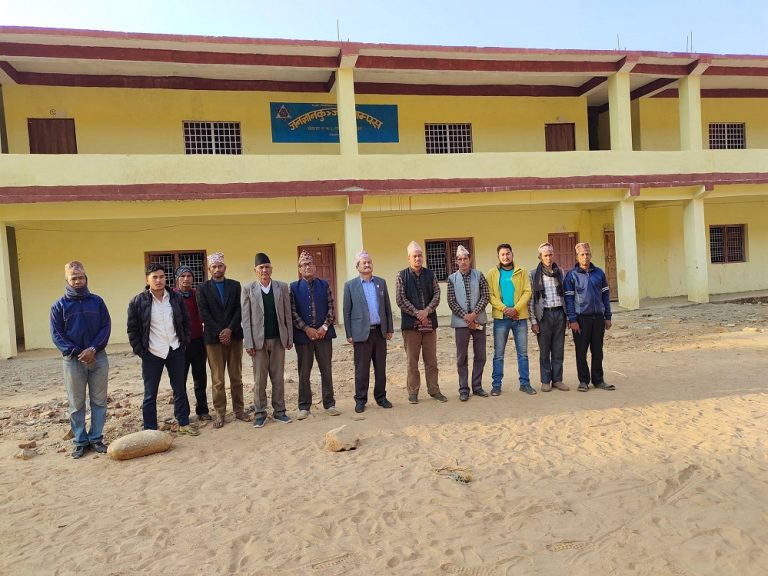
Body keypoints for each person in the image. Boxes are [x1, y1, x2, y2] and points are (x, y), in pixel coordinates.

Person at [127, 263, 199, 436]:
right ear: (147, 280)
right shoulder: (138, 301)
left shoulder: (175, 298)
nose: (158, 280)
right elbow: (132, 329)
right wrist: (140, 350)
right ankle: (150, 429)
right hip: (152, 352)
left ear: (165, 278)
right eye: (154, 277)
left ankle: (183, 422)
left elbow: (186, 322)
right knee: (150, 393)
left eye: (161, 277)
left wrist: (184, 341)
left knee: (180, 389)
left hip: (175, 349)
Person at [50, 261, 112, 459]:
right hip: (73, 360)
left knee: (99, 401)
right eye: (73, 278)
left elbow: (106, 327)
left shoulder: (97, 302)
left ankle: (96, 438)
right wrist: (78, 352)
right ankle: (80, 441)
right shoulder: (59, 306)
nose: (78, 281)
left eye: (81, 277)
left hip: (98, 358)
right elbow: (57, 335)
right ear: (67, 280)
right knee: (76, 403)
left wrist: (93, 349)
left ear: (86, 278)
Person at [242, 253, 294, 428]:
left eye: (267, 267)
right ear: (255, 270)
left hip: (278, 339)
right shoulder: (248, 289)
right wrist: (248, 342)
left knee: (278, 378)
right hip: (258, 342)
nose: (264, 270)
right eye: (261, 267)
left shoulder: (282, 287)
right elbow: (246, 318)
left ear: (272, 269)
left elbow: (287, 314)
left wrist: (289, 337)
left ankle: (280, 411)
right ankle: (260, 413)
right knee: (260, 379)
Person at [196, 252, 248, 428]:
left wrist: (230, 330)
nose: (217, 269)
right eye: (214, 267)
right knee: (218, 380)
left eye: (220, 266)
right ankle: (220, 413)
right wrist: (221, 332)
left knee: (236, 377)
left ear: (225, 268)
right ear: (209, 269)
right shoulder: (202, 288)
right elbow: (204, 314)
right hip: (213, 339)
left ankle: (239, 410)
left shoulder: (235, 285)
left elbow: (239, 309)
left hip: (235, 337)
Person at [290, 250, 340, 419]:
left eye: (310, 264)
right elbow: (293, 312)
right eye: (304, 265)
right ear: (299, 269)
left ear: (315, 267)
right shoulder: (293, 288)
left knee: (326, 369)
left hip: (324, 335)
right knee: (304, 372)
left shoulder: (324, 285)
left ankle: (329, 403)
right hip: (303, 337)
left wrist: (324, 327)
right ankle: (304, 406)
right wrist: (306, 329)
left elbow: (331, 308)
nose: (307, 267)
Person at [343, 249, 394, 414]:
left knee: (380, 368)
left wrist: (389, 328)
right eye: (363, 263)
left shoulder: (381, 282)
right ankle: (360, 400)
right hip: (360, 334)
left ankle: (381, 397)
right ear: (357, 267)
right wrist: (349, 333)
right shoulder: (350, 286)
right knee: (361, 370)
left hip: (379, 332)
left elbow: (387, 307)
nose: (367, 265)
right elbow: (346, 311)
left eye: (369, 262)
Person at [395, 240, 446, 404]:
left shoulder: (431, 274)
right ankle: (413, 392)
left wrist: (426, 311)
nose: (418, 259)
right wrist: (417, 313)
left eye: (420, 256)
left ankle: (434, 390)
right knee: (412, 361)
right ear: (409, 258)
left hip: (429, 323)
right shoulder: (401, 276)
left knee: (431, 360)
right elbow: (400, 299)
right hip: (411, 326)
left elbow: (437, 295)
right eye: (414, 256)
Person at [563, 242, 615, 392]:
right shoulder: (571, 275)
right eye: (582, 254)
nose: (585, 257)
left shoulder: (599, 273)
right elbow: (569, 299)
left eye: (587, 254)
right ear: (577, 257)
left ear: (591, 255)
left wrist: (608, 316)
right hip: (581, 320)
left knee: (598, 351)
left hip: (598, 318)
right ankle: (583, 381)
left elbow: (605, 296)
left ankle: (598, 380)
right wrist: (572, 319)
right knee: (581, 352)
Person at [487, 243, 534, 395]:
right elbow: (490, 295)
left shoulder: (522, 271)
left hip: (519, 317)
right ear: (498, 256)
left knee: (523, 353)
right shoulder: (492, 273)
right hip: (501, 318)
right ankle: (496, 385)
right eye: (502, 254)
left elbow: (527, 292)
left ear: (512, 254)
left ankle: (525, 384)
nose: (505, 257)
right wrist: (505, 309)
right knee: (498, 354)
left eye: (508, 254)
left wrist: (515, 309)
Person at [447, 245, 490, 401]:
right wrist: (465, 316)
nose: (463, 261)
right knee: (462, 356)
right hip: (461, 323)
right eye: (460, 259)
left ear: (470, 259)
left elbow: (485, 296)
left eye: (465, 258)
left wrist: (474, 314)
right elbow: (451, 301)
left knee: (480, 355)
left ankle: (477, 386)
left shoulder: (479, 275)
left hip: (479, 320)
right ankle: (463, 388)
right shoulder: (452, 279)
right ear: (456, 261)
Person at [528, 242, 569, 392]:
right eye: (545, 255)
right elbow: (531, 300)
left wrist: (568, 317)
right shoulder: (533, 274)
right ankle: (546, 380)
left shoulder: (561, 272)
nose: (548, 258)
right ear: (540, 257)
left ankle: (557, 380)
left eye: (550, 254)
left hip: (559, 314)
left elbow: (566, 296)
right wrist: (533, 321)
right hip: (543, 316)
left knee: (558, 349)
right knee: (544, 350)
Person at [172, 266, 211, 420]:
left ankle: (202, 410)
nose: (186, 279)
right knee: (179, 380)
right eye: (183, 276)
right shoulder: (172, 296)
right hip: (179, 344)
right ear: (177, 278)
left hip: (198, 341)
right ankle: (182, 413)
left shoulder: (197, 294)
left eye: (189, 276)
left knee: (200, 378)